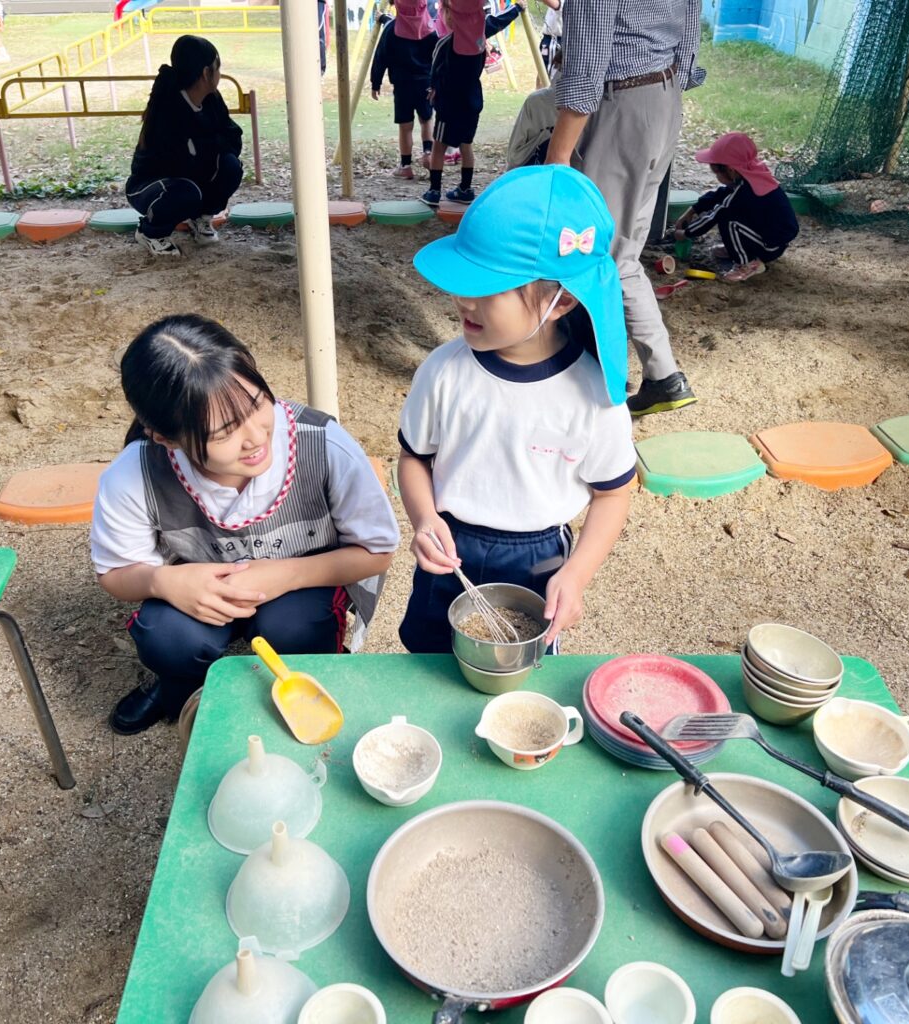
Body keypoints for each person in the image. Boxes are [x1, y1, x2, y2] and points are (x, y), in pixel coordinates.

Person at [91, 314, 399, 735]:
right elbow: (114, 572)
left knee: (295, 628)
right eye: (223, 433)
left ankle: (303, 685)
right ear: (166, 438)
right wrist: (162, 582)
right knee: (168, 637)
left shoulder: (322, 443)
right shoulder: (134, 473)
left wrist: (286, 575)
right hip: (202, 584)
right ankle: (178, 688)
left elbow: (377, 551)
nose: (255, 437)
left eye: (256, 405)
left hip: (307, 579)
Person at [398, 165, 635, 654]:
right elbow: (414, 458)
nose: (463, 299)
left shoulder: (594, 398)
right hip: (451, 547)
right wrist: (424, 518)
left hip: (537, 559)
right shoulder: (443, 371)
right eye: (463, 281)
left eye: (487, 289)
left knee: (520, 669)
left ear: (560, 301)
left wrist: (576, 574)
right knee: (427, 661)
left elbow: (613, 493)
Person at [546, 0, 704, 418]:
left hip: (621, 104)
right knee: (622, 254)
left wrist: (557, 158)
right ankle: (663, 377)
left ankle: (594, 380)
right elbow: (689, 24)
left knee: (589, 251)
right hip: (663, 95)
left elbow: (587, 68)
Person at [125, 35, 244, 257]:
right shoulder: (169, 107)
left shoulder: (212, 99)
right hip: (153, 186)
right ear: (206, 73)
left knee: (230, 165)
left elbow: (233, 136)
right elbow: (176, 162)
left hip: (192, 178)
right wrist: (209, 145)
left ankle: (201, 218)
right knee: (186, 192)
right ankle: (150, 232)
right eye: (217, 68)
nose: (219, 73)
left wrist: (205, 147)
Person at [420, 0, 529, 207]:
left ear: (450, 15)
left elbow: (435, 71)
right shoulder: (481, 37)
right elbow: (499, 21)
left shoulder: (445, 43)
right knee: (466, 145)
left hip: (449, 103)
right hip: (472, 101)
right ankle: (465, 189)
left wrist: (432, 89)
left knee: (439, 146)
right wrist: (517, 8)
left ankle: (434, 191)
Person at [674, 132, 799, 283]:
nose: (716, 177)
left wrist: (686, 233)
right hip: (772, 238)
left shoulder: (745, 191)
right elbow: (721, 194)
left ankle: (747, 264)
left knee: (728, 220)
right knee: (732, 213)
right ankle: (742, 249)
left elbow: (716, 214)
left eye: (716, 172)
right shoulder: (752, 176)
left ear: (730, 170)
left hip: (770, 246)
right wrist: (692, 210)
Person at [370, 0, 437, 179]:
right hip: (426, 83)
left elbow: (380, 57)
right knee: (427, 119)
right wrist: (437, 83)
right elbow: (439, 58)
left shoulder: (392, 29)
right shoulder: (431, 29)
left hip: (402, 85)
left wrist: (375, 82)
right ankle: (428, 154)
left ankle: (405, 166)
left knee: (405, 126)